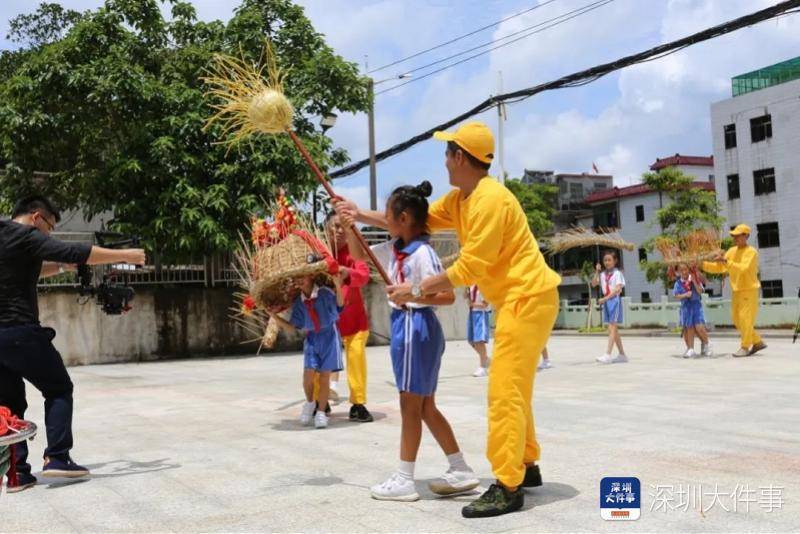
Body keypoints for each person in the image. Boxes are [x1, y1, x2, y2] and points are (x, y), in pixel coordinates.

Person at [336, 121, 561, 518]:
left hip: (528, 300)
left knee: (504, 393)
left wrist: (416, 289)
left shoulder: (492, 200)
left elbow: (472, 266)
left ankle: (508, 485)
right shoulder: (461, 200)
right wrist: (359, 214)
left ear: (460, 157)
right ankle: (526, 465)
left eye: (447, 154)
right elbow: (411, 220)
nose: (443, 162)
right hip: (519, 301)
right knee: (516, 390)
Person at [342, 180, 479, 502]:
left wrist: (413, 293)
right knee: (426, 406)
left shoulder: (422, 253)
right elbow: (358, 254)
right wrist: (352, 223)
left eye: (388, 215)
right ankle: (459, 467)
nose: (384, 220)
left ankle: (405, 478)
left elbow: (446, 296)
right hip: (410, 327)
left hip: (415, 327)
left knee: (409, 405)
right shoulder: (397, 248)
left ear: (403, 218)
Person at [0, 195, 145, 492]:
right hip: (20, 331)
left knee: (10, 403)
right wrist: (126, 256)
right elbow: (73, 250)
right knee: (58, 388)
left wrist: (63, 268)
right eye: (49, 227)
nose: (49, 234)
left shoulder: (4, 237)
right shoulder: (26, 234)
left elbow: (35, 268)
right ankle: (57, 457)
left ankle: (17, 475)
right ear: (36, 216)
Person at [270, 273, 344, 429]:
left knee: (325, 377)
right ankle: (310, 403)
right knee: (308, 375)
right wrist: (273, 316)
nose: (299, 281)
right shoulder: (299, 302)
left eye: (302, 277)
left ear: (311, 277)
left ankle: (321, 413)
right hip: (311, 338)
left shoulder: (325, 293)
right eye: (296, 279)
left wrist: (338, 285)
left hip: (329, 336)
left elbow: (339, 306)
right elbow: (292, 328)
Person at [318, 214, 373, 423]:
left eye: (344, 227)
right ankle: (319, 401)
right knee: (319, 359)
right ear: (326, 229)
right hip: (326, 321)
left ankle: (358, 404)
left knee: (356, 355)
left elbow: (364, 275)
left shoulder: (354, 249)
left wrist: (346, 271)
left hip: (355, 320)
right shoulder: (318, 252)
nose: (340, 231)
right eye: (335, 226)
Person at [702, 224, 765, 357]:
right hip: (737, 290)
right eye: (734, 235)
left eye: (738, 235)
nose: (735, 238)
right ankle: (757, 342)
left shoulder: (751, 252)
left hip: (749, 289)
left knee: (745, 319)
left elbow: (743, 268)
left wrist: (725, 261)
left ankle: (745, 346)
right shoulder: (731, 251)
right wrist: (702, 265)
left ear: (746, 236)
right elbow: (720, 268)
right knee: (737, 320)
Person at [592, 251, 628, 364]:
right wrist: (596, 271)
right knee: (614, 329)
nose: (607, 262)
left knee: (612, 327)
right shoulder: (602, 274)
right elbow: (593, 284)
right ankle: (622, 355)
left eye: (609, 260)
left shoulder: (618, 274)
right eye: (605, 260)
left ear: (615, 261)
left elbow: (617, 289)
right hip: (607, 301)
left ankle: (608, 354)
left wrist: (605, 299)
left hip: (614, 301)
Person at [673, 262, 713, 358]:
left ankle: (707, 345)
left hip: (696, 306)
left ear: (689, 269)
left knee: (699, 327)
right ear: (678, 272)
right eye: (681, 270)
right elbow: (676, 295)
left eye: (685, 269)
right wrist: (685, 295)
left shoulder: (694, 278)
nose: (684, 272)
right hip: (686, 307)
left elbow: (700, 292)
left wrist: (694, 281)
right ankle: (690, 349)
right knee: (689, 328)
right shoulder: (678, 283)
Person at [466, 284, 491, 377]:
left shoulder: (483, 284)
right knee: (471, 340)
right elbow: (466, 297)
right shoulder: (471, 285)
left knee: (479, 340)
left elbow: (485, 304)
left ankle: (483, 367)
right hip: (472, 313)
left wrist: (473, 304)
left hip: (481, 314)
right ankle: (485, 359)